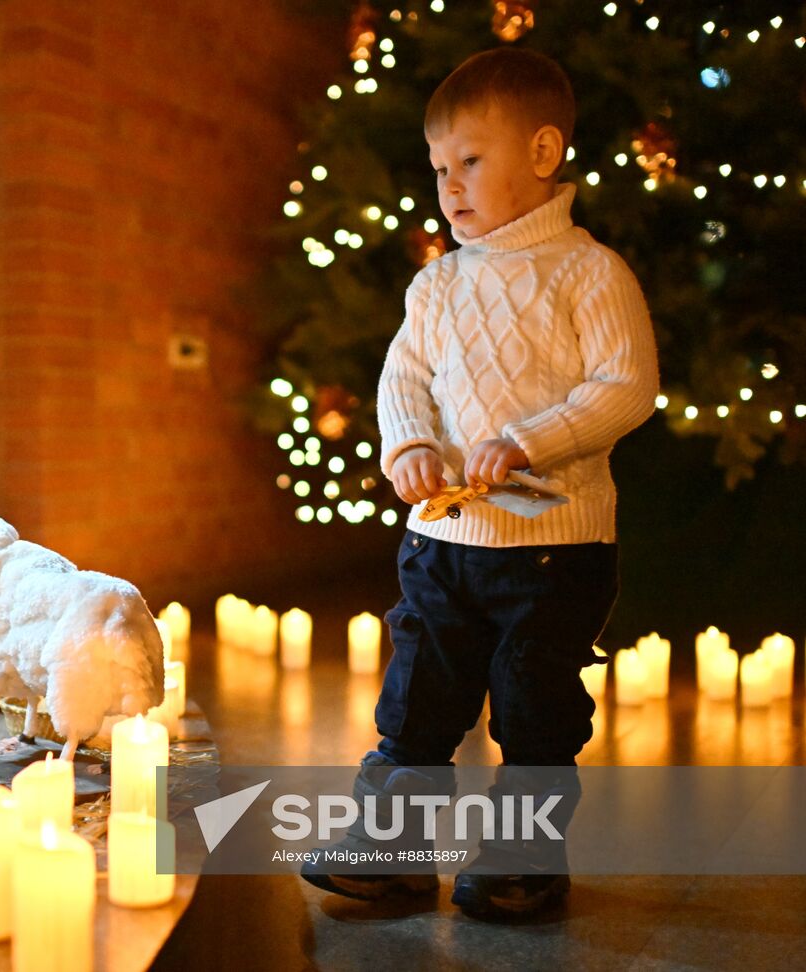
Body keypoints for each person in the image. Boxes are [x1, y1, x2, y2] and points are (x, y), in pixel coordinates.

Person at [301, 48, 658, 919]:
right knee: (416, 700)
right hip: (443, 544)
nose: (449, 185)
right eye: (438, 168)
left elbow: (626, 386)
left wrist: (531, 441)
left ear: (542, 152)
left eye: (469, 160)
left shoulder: (589, 272)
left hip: (553, 553)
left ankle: (521, 861)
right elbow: (404, 380)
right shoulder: (437, 284)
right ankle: (391, 850)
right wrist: (410, 447)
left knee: (534, 709)